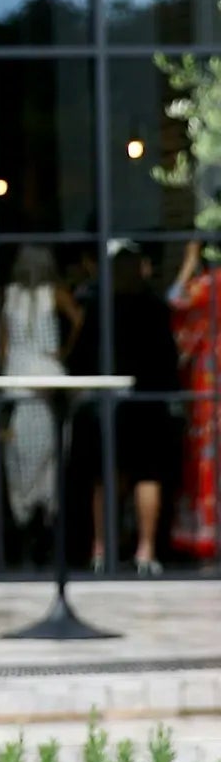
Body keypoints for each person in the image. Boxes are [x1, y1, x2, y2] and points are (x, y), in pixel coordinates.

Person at [75, 243, 182, 575]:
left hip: (109, 401)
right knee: (147, 475)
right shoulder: (155, 307)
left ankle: (100, 550)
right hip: (147, 402)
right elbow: (169, 357)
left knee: (106, 476)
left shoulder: (99, 307)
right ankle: (145, 552)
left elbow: (82, 356)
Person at [0, 246, 68, 547]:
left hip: (20, 376)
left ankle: (27, 511)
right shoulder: (52, 293)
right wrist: (61, 354)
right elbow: (80, 320)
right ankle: (40, 511)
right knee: (46, 448)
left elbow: (2, 344)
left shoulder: (11, 295)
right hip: (42, 377)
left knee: (22, 450)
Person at [169, 240, 221, 560]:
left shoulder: (208, 284)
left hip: (209, 376)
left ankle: (208, 533)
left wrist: (188, 262)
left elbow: (175, 300)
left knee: (207, 454)